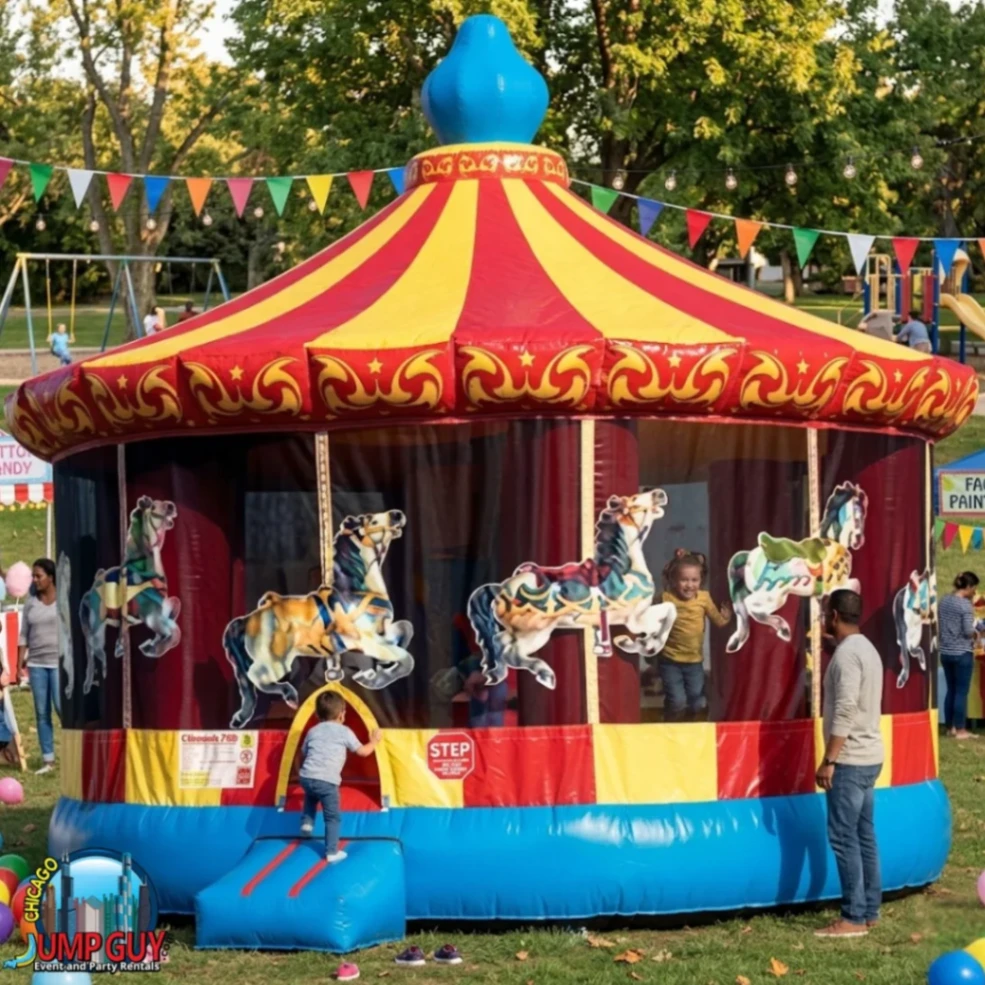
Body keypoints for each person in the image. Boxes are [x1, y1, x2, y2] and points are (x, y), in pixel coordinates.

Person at [815, 589, 884, 939]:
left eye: (826, 612)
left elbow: (844, 710)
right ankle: (870, 910)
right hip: (871, 755)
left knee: (843, 838)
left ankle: (853, 917)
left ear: (835, 616)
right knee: (864, 835)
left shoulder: (846, 658)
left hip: (851, 760)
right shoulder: (865, 649)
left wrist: (830, 760)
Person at [299, 691, 380, 862]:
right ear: (341, 713)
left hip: (306, 776)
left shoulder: (313, 731)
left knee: (311, 793)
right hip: (327, 782)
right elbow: (363, 752)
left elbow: (304, 751)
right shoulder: (344, 732)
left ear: (316, 714)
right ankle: (331, 852)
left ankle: (307, 822)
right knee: (332, 817)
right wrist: (374, 741)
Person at [656, 549, 731, 721]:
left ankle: (687, 724)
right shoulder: (666, 598)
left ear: (701, 580)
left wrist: (725, 618)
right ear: (674, 581)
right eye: (684, 580)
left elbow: (718, 621)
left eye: (694, 580)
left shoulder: (703, 598)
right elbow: (650, 618)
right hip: (670, 661)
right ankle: (669, 722)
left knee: (697, 703)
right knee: (677, 701)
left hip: (694, 663)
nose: (689, 585)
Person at [17, 558, 61, 774]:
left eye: (38, 576)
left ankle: (76, 752)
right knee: (42, 713)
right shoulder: (30, 602)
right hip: (36, 665)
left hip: (59, 664)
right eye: (33, 576)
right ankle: (48, 760)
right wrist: (19, 666)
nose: (34, 580)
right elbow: (23, 635)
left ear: (50, 577)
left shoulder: (63, 600)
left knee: (62, 708)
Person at [938, 571, 979, 740]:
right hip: (962, 653)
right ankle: (961, 729)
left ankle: (950, 727)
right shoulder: (965, 606)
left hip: (946, 652)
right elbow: (968, 631)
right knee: (961, 692)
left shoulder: (944, 601)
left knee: (951, 690)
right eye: (974, 589)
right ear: (968, 587)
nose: (974, 593)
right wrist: (977, 633)